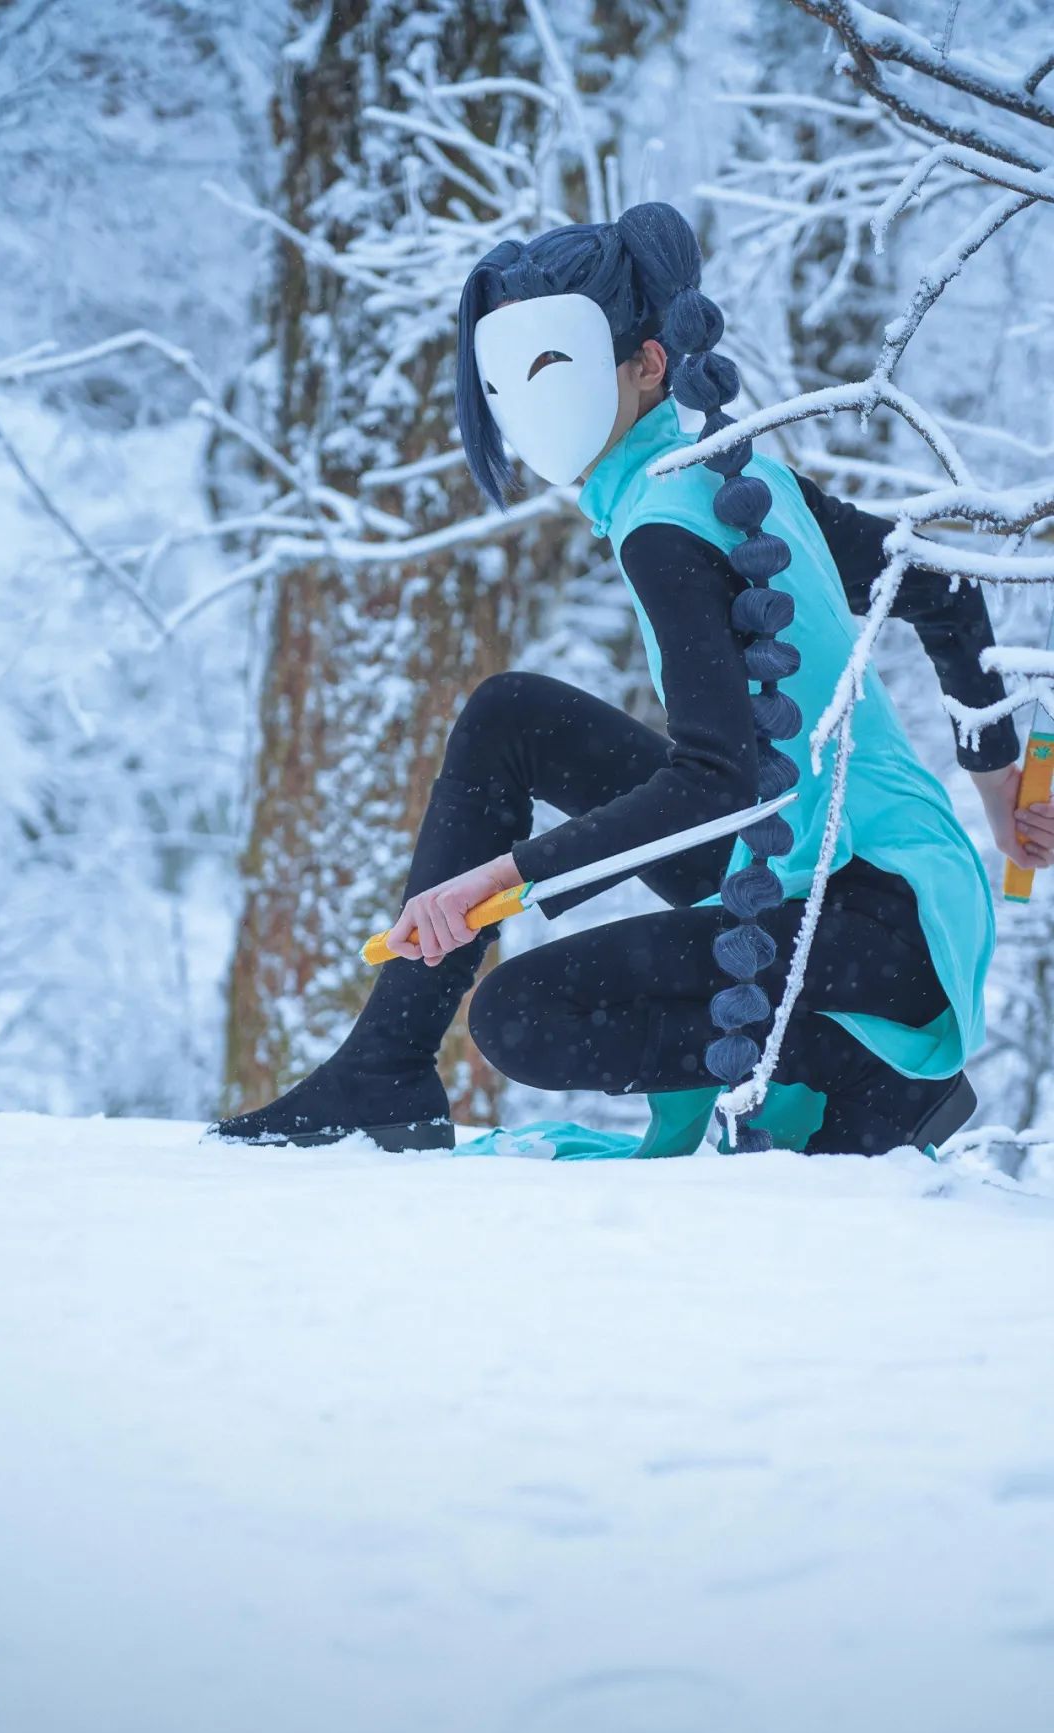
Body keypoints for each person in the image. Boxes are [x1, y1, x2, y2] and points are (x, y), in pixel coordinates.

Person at [212, 201, 1054, 1157]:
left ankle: (866, 1079)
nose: (523, 409)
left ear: (647, 364)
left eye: (549, 371)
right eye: (500, 382)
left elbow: (716, 782)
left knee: (521, 1017)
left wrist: (506, 879)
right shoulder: (730, 477)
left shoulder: (665, 522)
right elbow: (941, 592)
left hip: (868, 923)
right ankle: (383, 1068)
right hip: (837, 868)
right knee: (510, 715)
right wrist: (999, 795)